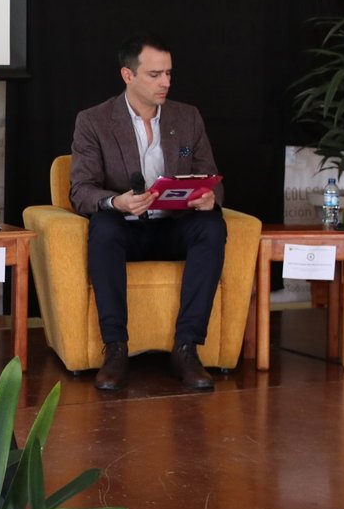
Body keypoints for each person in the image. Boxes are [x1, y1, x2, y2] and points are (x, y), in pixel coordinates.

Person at [68, 33, 226, 391]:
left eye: (168, 73)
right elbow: (81, 189)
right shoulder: (94, 121)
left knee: (212, 224)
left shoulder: (187, 117)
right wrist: (117, 202)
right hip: (125, 227)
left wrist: (208, 197)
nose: (165, 82)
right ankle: (115, 349)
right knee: (103, 226)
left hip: (172, 226)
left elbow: (212, 177)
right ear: (128, 75)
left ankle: (187, 348)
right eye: (155, 75)